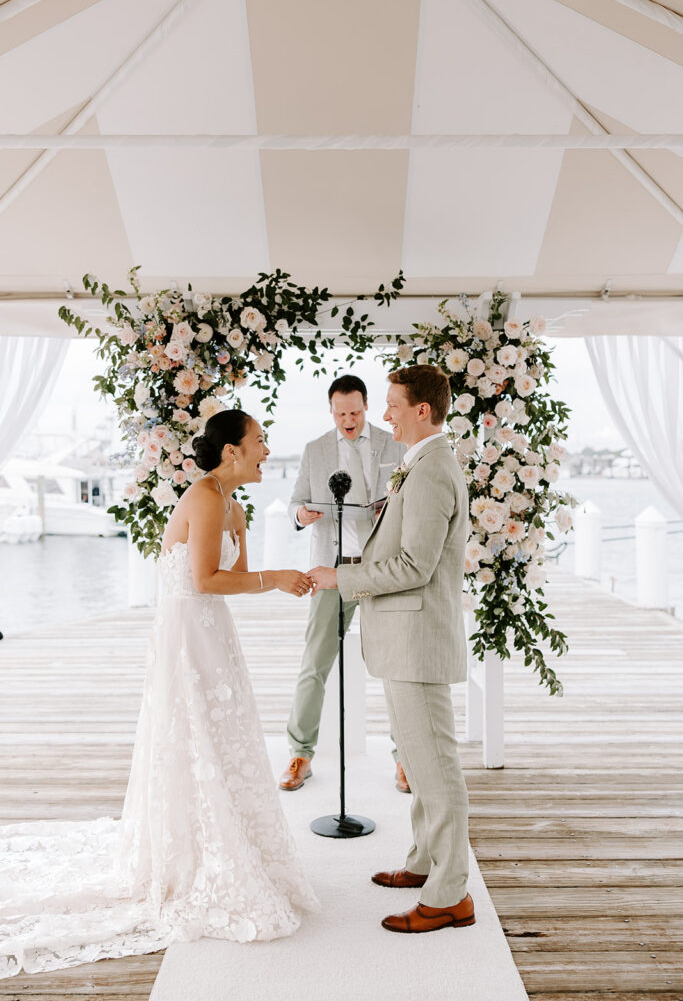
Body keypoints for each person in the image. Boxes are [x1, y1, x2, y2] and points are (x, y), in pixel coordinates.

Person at [0, 410, 318, 980]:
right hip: (187, 638)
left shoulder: (226, 501)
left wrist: (242, 532)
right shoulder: (201, 497)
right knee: (193, 739)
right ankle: (192, 858)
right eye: (260, 441)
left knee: (224, 740)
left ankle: (230, 843)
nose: (267, 449)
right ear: (231, 452)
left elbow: (230, 574)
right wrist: (276, 575)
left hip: (212, 632)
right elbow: (203, 580)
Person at [309, 365, 474, 934]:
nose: (384, 415)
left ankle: (452, 894)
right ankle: (425, 863)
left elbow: (414, 565)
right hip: (408, 639)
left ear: (422, 410)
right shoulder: (419, 464)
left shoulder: (429, 471)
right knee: (424, 765)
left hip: (417, 640)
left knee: (437, 769)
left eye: (393, 405)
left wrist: (341, 577)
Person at [279, 374, 408, 792]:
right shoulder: (315, 450)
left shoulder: (394, 445)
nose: (347, 420)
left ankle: (404, 758)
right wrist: (302, 516)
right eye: (340, 414)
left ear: (366, 407)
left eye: (354, 412)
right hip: (329, 571)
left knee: (394, 667)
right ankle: (300, 754)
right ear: (330, 411)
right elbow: (296, 501)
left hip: (379, 569)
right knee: (314, 664)